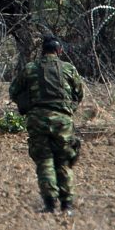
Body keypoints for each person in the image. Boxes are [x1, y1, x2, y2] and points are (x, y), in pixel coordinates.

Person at [9, 35, 85, 215]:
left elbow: (13, 91)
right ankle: (67, 205)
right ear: (59, 51)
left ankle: (50, 204)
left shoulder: (30, 69)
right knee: (63, 161)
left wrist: (26, 104)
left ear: (41, 51)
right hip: (62, 121)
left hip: (37, 119)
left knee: (45, 161)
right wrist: (68, 109)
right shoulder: (68, 69)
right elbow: (79, 94)